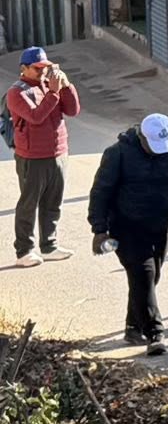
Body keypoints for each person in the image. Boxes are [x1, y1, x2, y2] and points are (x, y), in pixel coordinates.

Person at [88, 113, 168, 354]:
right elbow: (100, 192)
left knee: (148, 279)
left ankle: (133, 326)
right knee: (143, 274)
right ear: (142, 137)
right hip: (127, 227)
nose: (158, 151)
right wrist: (99, 230)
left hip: (161, 224)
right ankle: (155, 333)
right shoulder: (118, 154)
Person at [8, 46, 80, 265]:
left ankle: (49, 245)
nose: (42, 73)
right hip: (32, 156)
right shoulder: (17, 92)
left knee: (53, 203)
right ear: (24, 69)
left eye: (45, 68)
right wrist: (54, 93)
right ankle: (24, 251)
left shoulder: (50, 86)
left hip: (57, 152)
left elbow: (73, 110)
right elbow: (36, 116)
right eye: (37, 69)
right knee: (29, 204)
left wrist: (66, 87)